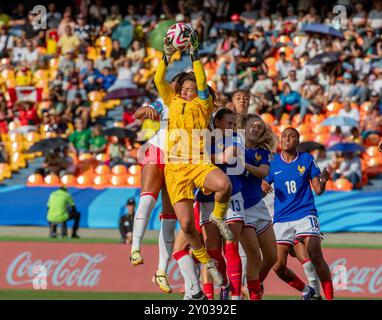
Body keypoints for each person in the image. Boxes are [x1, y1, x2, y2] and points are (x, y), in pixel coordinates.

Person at [154, 32, 233, 290]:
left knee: (223, 185)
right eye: (184, 88)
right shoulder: (172, 100)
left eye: (192, 88)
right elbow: (158, 78)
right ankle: (205, 262)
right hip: (175, 168)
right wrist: (167, 55)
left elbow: (201, 80)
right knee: (187, 226)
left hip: (198, 161)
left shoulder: (204, 103)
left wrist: (194, 53)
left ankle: (219, 218)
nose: (188, 91)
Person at [130, 72, 189, 294]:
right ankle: (135, 248)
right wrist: (146, 110)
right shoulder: (166, 99)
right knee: (146, 200)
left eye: (183, 86)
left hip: (179, 160)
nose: (180, 89)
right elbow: (138, 113)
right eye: (179, 85)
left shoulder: (195, 105)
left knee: (170, 218)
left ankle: (161, 272)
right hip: (157, 151)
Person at [262, 127, 334, 300]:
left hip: (305, 213)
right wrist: (262, 186)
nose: (287, 139)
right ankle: (308, 291)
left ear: (298, 141)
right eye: (284, 136)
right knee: (278, 266)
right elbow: (262, 185)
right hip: (281, 218)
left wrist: (323, 181)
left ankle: (330, 296)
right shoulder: (273, 163)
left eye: (292, 136)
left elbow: (318, 190)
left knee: (314, 252)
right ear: (280, 141)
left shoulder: (307, 159)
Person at [237, 114, 278, 299]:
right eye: (253, 125)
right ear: (244, 127)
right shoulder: (233, 146)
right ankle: (252, 292)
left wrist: (243, 165)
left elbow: (263, 172)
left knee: (271, 257)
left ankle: (250, 285)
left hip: (258, 207)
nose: (256, 128)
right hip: (240, 209)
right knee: (254, 257)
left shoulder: (262, 152)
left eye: (260, 127)